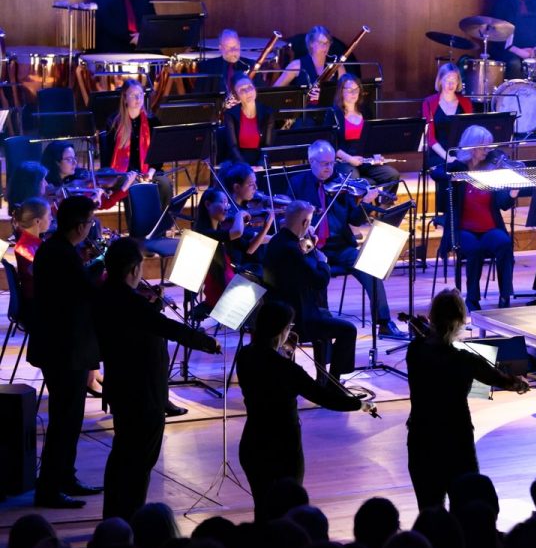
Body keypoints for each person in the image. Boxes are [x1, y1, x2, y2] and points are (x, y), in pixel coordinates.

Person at [96, 237, 219, 520]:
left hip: (123, 387)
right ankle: (130, 520)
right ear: (134, 270)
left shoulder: (108, 294)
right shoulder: (128, 302)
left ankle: (114, 517)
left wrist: (148, 305)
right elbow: (166, 328)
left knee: (123, 455)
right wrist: (206, 342)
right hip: (142, 391)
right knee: (139, 461)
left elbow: (138, 326)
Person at [237, 301, 364, 519]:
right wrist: (359, 403)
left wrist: (284, 352)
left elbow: (269, 370)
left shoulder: (245, 356)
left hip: (253, 443)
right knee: (290, 511)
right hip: (283, 448)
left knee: (263, 509)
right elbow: (324, 397)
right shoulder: (287, 369)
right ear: (283, 329)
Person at [406, 289, 529, 509]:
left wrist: (424, 329)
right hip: (457, 439)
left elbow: (426, 340)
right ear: (462, 321)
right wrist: (519, 383)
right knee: (466, 509)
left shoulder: (415, 351)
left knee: (429, 510)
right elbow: (502, 380)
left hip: (421, 437)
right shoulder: (466, 360)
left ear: (432, 317)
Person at [27, 196, 104, 508]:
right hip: (64, 350)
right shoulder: (60, 254)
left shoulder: (58, 249)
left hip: (64, 346)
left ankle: (65, 477)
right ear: (79, 225)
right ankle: (49, 490)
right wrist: (100, 264)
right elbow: (82, 292)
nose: (90, 228)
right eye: (89, 223)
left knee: (70, 419)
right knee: (64, 421)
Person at [288, 140, 402, 338]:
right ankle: (321, 324)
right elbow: (289, 218)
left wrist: (365, 204)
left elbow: (354, 219)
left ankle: (384, 322)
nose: (330, 168)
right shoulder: (297, 184)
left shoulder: (342, 183)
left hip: (340, 246)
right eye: (325, 164)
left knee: (370, 268)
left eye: (332, 163)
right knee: (313, 273)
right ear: (311, 161)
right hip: (311, 249)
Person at [262, 200, 357, 381]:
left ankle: (322, 378)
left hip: (282, 311)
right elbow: (320, 280)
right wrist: (322, 261)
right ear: (305, 223)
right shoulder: (291, 249)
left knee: (326, 314)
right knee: (348, 330)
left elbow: (299, 268)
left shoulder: (277, 241)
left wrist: (308, 248)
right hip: (299, 319)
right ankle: (333, 381)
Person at [431, 125, 517, 310]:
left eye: (489, 147)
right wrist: (452, 177)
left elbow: (502, 203)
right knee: (475, 250)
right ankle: (472, 300)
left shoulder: (492, 169)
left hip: (489, 228)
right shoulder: (458, 167)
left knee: (504, 243)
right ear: (471, 147)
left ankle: (505, 296)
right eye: (483, 147)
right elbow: (435, 172)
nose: (487, 151)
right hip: (463, 229)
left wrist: (512, 193)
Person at [195, 162, 273, 305]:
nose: (226, 208)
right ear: (207, 205)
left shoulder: (217, 227)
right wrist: (239, 215)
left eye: (227, 203)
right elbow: (237, 233)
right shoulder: (205, 232)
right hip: (223, 285)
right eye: (223, 203)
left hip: (230, 275)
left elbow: (247, 243)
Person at [99, 79, 173, 208]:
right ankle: (138, 227)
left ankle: (160, 224)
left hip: (147, 172)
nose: (138, 98)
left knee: (165, 185)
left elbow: (158, 155)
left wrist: (149, 174)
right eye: (133, 95)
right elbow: (107, 157)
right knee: (134, 187)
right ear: (124, 97)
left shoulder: (152, 121)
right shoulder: (114, 122)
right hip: (121, 174)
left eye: (140, 94)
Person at [329, 73, 402, 190]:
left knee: (392, 175)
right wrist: (350, 159)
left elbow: (374, 138)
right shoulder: (333, 113)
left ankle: (384, 206)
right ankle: (359, 208)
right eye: (349, 90)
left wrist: (377, 157)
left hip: (365, 160)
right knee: (355, 181)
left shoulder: (366, 111)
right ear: (341, 91)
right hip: (344, 161)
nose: (354, 93)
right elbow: (331, 145)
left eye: (356, 89)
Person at [41, 141, 136, 210]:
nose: (75, 162)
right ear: (56, 162)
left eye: (75, 158)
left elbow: (105, 204)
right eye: (69, 159)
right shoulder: (45, 186)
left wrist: (124, 187)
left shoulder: (82, 181)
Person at [421, 63, 475, 170]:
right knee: (453, 168)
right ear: (440, 81)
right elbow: (430, 139)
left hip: (460, 152)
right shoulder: (429, 102)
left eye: (454, 80)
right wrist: (448, 157)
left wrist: (463, 155)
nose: (451, 84)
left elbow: (470, 133)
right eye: (447, 80)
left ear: (458, 82)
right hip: (438, 153)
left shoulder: (466, 102)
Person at [218, 75, 275, 167]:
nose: (248, 92)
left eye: (250, 87)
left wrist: (261, 165)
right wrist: (246, 168)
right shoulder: (230, 114)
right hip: (238, 161)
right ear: (236, 95)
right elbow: (232, 146)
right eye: (242, 90)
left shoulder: (267, 112)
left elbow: (267, 144)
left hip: (260, 160)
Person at [274, 25, 340, 96]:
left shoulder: (337, 66)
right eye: (320, 43)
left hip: (329, 107)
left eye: (327, 43)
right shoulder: (296, 66)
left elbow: (343, 92)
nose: (325, 47)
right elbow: (275, 91)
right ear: (311, 43)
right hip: (304, 106)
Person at [196, 29, 255, 97]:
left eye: (236, 46)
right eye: (228, 48)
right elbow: (200, 98)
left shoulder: (250, 65)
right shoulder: (207, 66)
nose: (233, 51)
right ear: (220, 48)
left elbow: (262, 97)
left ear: (239, 45)